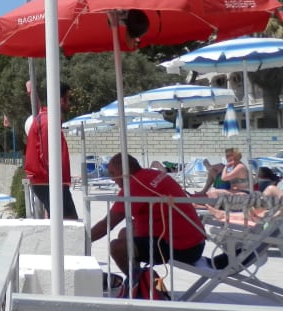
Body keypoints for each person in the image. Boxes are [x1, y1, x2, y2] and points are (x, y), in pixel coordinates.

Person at [90, 153, 206, 275]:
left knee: (117, 248)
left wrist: (83, 240)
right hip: (195, 241)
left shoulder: (134, 186)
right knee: (125, 233)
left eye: (113, 173)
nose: (112, 179)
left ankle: (138, 281)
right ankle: (140, 278)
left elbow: (107, 224)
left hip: (182, 248)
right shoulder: (151, 174)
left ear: (123, 171)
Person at [24, 82, 78, 219]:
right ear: (61, 100)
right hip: (49, 182)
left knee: (63, 222)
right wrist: (56, 183)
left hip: (49, 182)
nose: (70, 103)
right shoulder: (48, 121)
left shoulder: (47, 118)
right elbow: (47, 155)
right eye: (69, 99)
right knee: (69, 222)